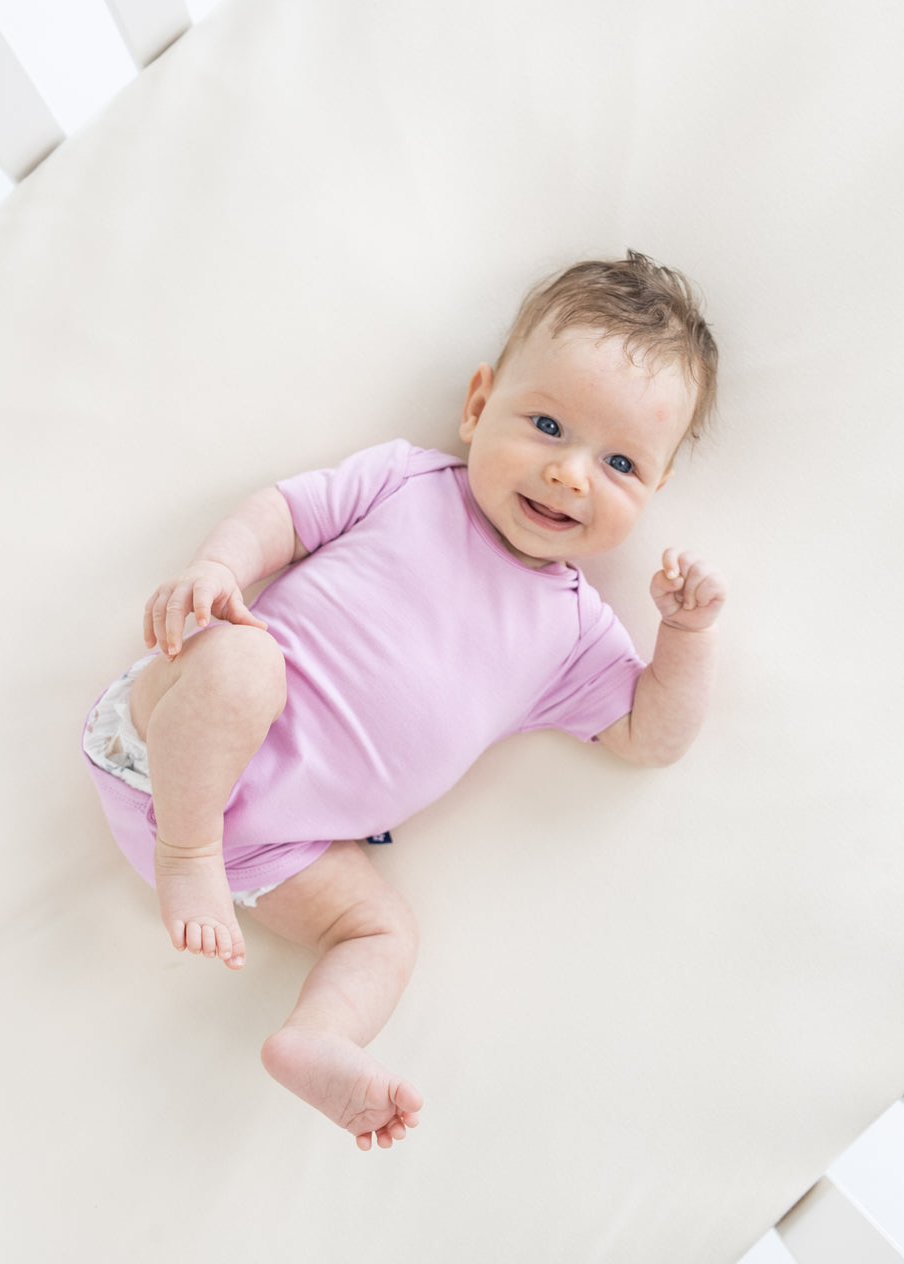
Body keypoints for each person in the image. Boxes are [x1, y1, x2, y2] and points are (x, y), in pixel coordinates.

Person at [82, 250, 727, 1151]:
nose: (571, 474)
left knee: (383, 931)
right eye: (546, 425)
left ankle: (317, 1036)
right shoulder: (408, 483)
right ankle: (182, 848)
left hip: (281, 848)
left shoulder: (576, 632)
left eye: (618, 461)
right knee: (245, 666)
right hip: (166, 744)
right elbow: (282, 513)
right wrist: (218, 571)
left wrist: (684, 640)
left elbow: (649, 736)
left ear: (653, 491)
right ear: (477, 406)